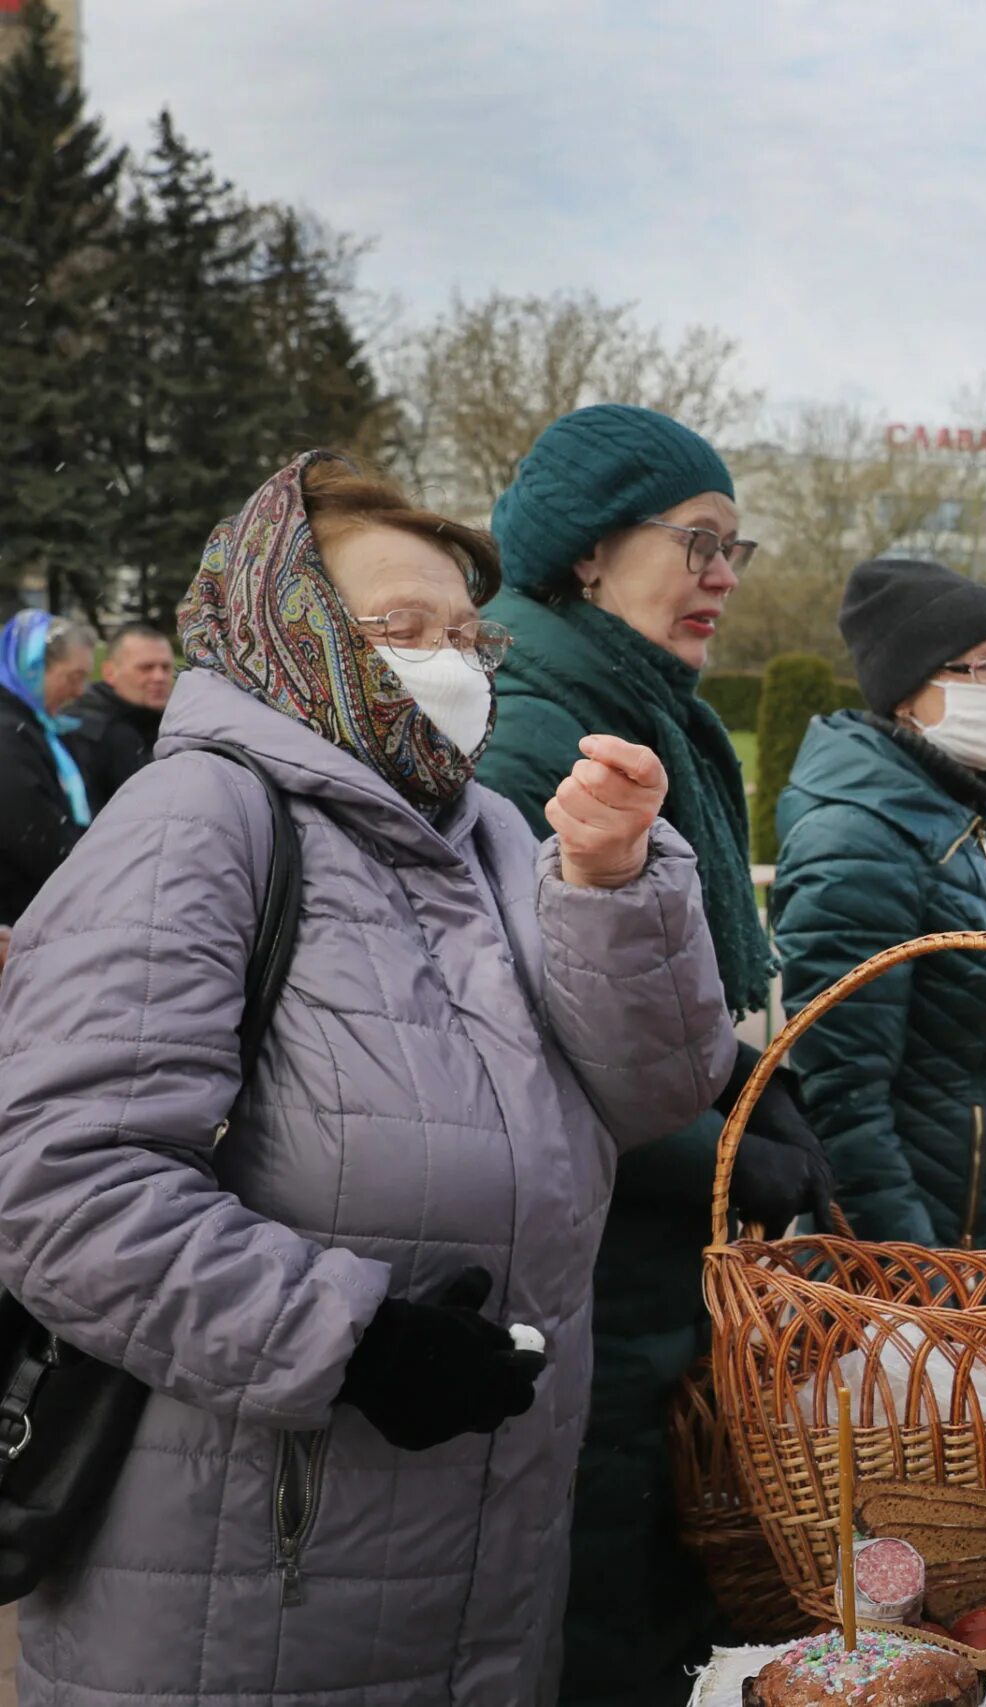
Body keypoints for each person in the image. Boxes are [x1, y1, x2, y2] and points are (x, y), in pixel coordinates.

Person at [0, 453, 737, 1705]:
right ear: (284, 633)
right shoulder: (197, 819)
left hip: (485, 1551)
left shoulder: (490, 830)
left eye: (464, 633)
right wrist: (351, 1344)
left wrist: (617, 892)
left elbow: (658, 1090)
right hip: (251, 1567)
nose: (447, 660)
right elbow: (63, 1186)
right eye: (399, 629)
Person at [477, 405, 836, 1705]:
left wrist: (748, 1088)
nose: (725, 574)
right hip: (596, 1250)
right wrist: (718, 1146)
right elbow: (528, 1039)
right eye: (697, 540)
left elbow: (661, 986)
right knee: (617, 1571)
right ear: (586, 553)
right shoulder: (540, 729)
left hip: (654, 1227)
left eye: (735, 544)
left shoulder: (641, 704)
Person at [770, 557, 986, 1249]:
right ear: (909, 690)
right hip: (932, 1271)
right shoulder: (859, 836)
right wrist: (916, 1279)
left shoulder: (974, 807)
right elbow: (843, 1101)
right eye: (982, 667)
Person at [0, 611, 93, 924]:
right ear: (32, 669)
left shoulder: (34, 726)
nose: (80, 692)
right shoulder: (8, 735)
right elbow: (34, 839)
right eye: (73, 677)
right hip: (19, 917)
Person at [59, 620, 176, 811]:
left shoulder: (170, 725)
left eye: (166, 667)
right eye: (146, 668)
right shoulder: (84, 732)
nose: (159, 677)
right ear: (110, 672)